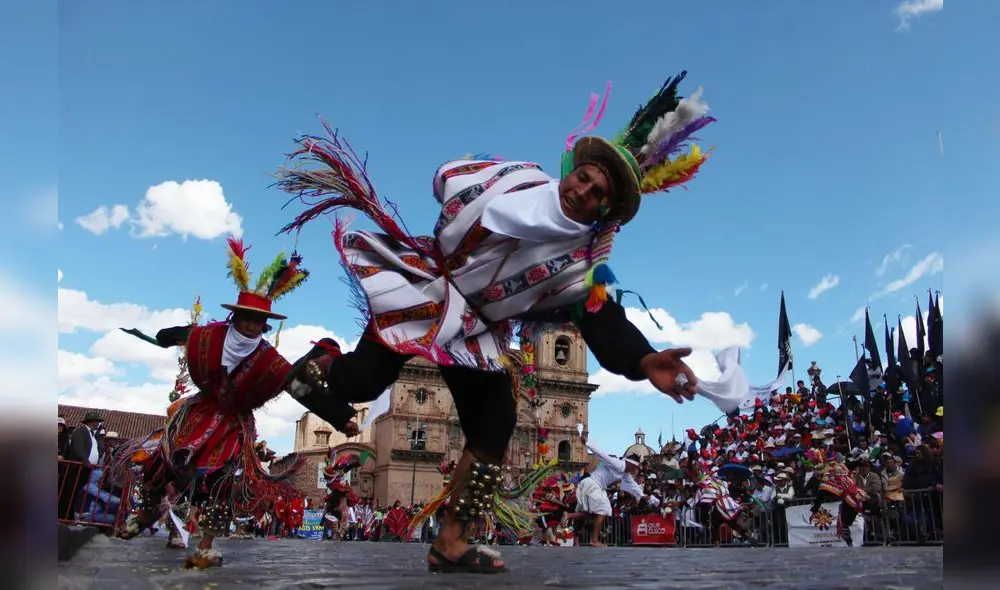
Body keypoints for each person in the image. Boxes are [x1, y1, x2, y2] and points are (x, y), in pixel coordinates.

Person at [275, 72, 715, 573]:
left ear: (604, 209)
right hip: (427, 292)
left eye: (597, 191)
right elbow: (448, 178)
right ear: (572, 171)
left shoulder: (581, 265)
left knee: (496, 422)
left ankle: (451, 541)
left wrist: (643, 359)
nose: (582, 190)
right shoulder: (518, 179)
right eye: (584, 176)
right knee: (362, 381)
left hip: (474, 331)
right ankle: (320, 362)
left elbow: (600, 318)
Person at [114, 237, 330, 568]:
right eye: (246, 318)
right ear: (235, 317)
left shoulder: (269, 360)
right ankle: (147, 511)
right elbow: (177, 334)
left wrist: (339, 416)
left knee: (225, 483)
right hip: (200, 412)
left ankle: (206, 544)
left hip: (234, 424)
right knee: (162, 462)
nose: (251, 325)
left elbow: (297, 387)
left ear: (265, 326)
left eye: (258, 321)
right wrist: (167, 337)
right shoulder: (210, 337)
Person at [569, 433, 655, 546]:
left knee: (592, 514)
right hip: (593, 485)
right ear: (630, 464)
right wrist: (587, 444)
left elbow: (633, 486)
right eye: (634, 467)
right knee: (604, 510)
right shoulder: (618, 464)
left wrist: (642, 495)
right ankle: (594, 540)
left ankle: (568, 515)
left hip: (594, 486)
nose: (634, 470)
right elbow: (602, 455)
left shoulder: (625, 474)